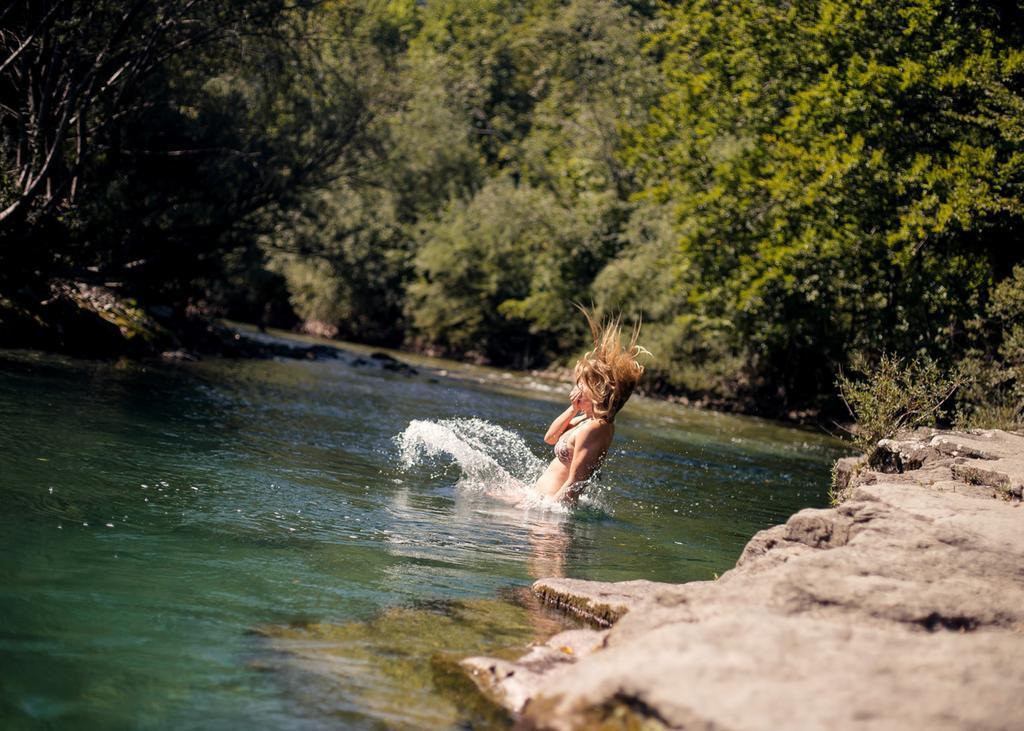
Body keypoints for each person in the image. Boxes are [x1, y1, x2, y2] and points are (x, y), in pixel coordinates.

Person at [533, 309, 648, 503]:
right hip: (539, 500)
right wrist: (573, 408)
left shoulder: (596, 428)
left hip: (549, 509)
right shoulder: (587, 420)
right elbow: (550, 438)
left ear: (597, 390)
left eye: (581, 383)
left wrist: (544, 515)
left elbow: (575, 483)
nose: (576, 386)